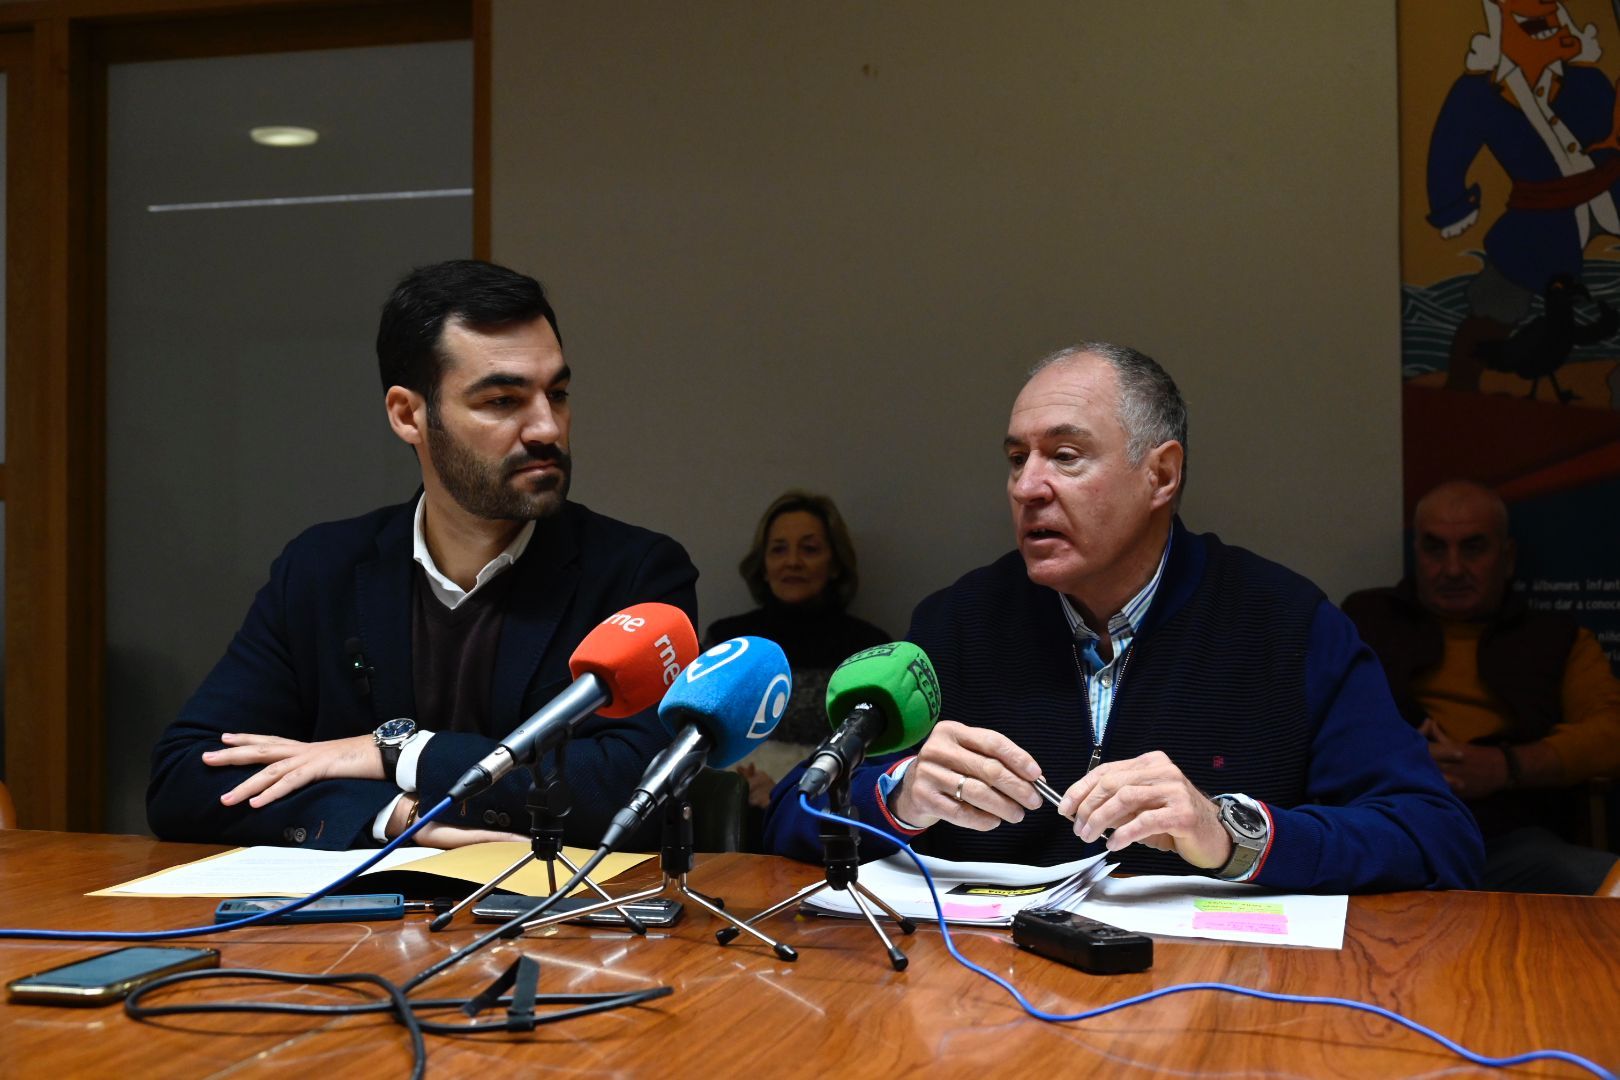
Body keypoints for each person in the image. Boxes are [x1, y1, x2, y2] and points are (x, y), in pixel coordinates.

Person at [764, 342, 1483, 893]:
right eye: (1017, 460)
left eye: (1066, 456)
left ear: (1161, 475)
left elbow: (1438, 836)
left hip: (1215, 1007)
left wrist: (1231, 834)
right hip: (990, 1004)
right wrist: (898, 794)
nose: (1028, 488)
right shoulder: (958, 622)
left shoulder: (1284, 624)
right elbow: (794, 815)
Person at [147, 259, 698, 850]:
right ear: (409, 415)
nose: (546, 428)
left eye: (557, 394)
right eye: (503, 400)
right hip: (352, 933)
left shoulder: (635, 573)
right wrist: (400, 817)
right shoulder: (321, 569)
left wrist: (398, 752)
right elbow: (188, 780)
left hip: (562, 929)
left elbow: (638, 786)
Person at [1342, 480, 1620, 894]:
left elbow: (1610, 735)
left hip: (1511, 843)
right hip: (1384, 831)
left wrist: (1506, 767)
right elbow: (1310, 717)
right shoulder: (1364, 618)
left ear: (1507, 558)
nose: (1452, 569)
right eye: (1435, 548)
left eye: (1473, 548)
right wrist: (1402, 755)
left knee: (1602, 881)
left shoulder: (1556, 639)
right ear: (1415, 553)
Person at [705, 491, 889, 808]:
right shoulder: (728, 640)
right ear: (763, 565)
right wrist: (732, 785)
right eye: (778, 549)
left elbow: (875, 763)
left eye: (809, 549)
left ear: (834, 563)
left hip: (822, 809)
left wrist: (785, 791)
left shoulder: (869, 649)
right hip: (726, 810)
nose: (792, 561)